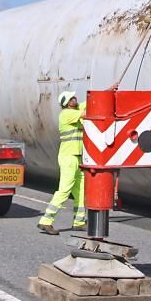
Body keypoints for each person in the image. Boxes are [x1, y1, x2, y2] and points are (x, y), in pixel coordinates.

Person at [37, 91, 87, 235]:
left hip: (78, 157)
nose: (75, 99)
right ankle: (46, 221)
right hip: (68, 158)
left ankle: (79, 222)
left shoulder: (75, 110)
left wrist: (108, 90)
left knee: (82, 192)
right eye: (71, 98)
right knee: (64, 190)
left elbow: (91, 102)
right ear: (66, 103)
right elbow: (85, 112)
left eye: (75, 97)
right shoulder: (66, 114)